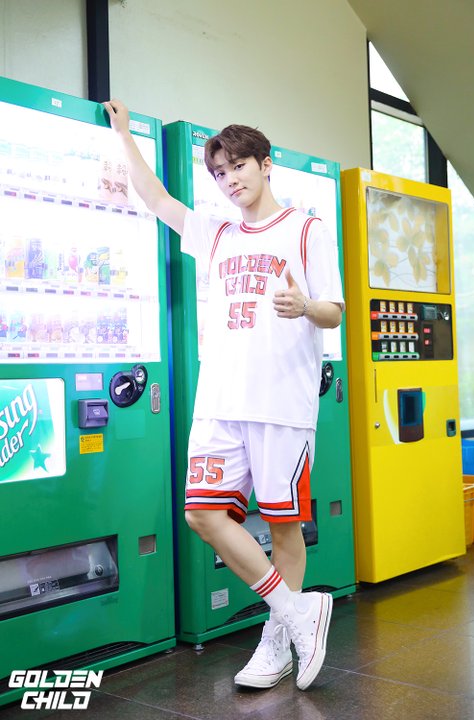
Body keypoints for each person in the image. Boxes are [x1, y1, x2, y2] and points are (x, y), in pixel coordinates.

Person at [104, 100, 344, 692]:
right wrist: (124, 134)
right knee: (202, 515)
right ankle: (298, 613)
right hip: (218, 402)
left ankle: (275, 641)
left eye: (238, 166)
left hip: (281, 405)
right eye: (219, 172)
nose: (230, 179)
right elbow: (156, 198)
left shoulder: (306, 230)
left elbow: (334, 312)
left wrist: (303, 306)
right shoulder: (217, 234)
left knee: (283, 527)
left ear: (265, 164)